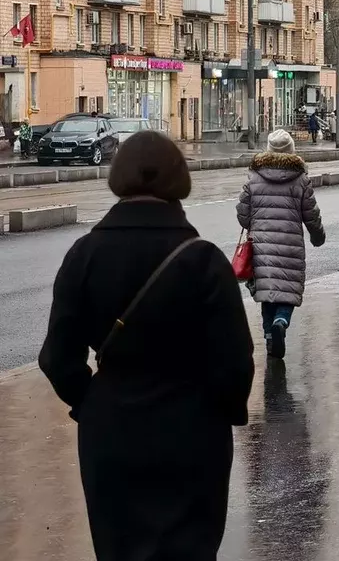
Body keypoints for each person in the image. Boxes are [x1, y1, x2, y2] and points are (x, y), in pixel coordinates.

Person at [38, 130, 254, 561]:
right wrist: (216, 412)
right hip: (193, 432)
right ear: (178, 182)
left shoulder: (84, 255)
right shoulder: (203, 259)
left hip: (112, 433)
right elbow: (235, 362)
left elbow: (57, 357)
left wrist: (95, 402)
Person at [236, 129, 326, 360]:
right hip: (290, 246)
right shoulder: (300, 179)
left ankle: (269, 338)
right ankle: (281, 321)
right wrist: (318, 237)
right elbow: (311, 215)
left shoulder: (254, 179)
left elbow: (243, 216)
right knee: (286, 292)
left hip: (261, 246)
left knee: (267, 293)